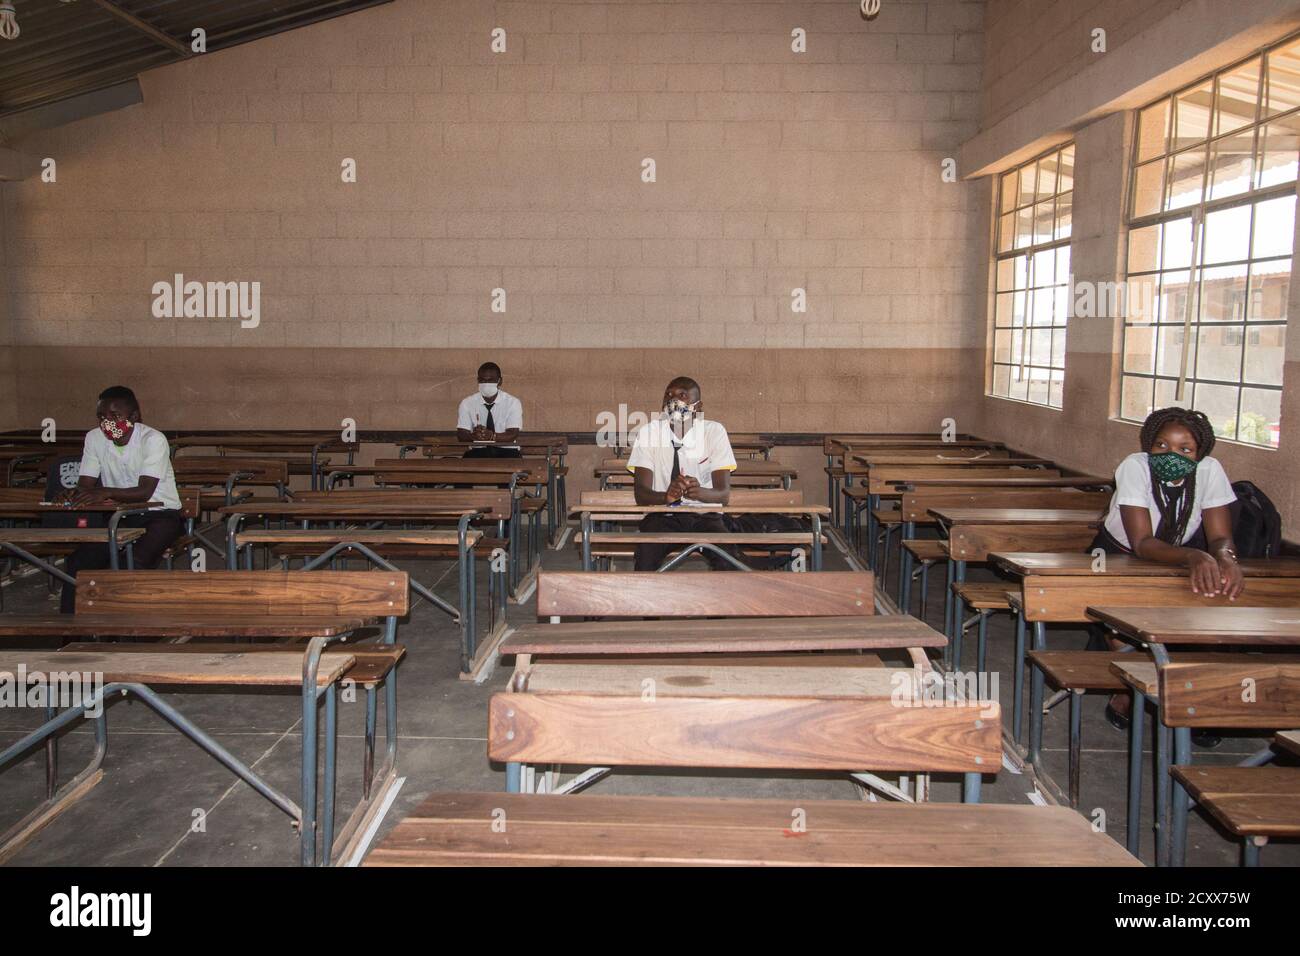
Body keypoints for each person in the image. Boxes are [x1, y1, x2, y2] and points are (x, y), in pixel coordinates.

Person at [1092, 406, 1241, 745]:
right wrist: (1195, 556)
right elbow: (1142, 543)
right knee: (1127, 633)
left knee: (1202, 614)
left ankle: (1192, 700)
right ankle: (1128, 691)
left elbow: (1220, 536)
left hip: (1176, 558)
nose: (1171, 454)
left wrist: (1225, 557)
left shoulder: (1209, 470)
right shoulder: (1135, 467)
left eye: (1185, 448)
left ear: (1199, 452)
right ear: (1148, 444)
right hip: (1118, 558)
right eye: (1161, 445)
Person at [57, 386, 183, 613]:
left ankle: (123, 627)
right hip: (120, 516)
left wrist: (105, 492)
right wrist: (75, 493)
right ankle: (70, 630)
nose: (108, 423)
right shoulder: (94, 439)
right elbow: (85, 484)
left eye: (115, 416)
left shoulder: (152, 439)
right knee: (79, 563)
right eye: (101, 417)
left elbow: (145, 491)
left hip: (160, 515)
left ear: (134, 417)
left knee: (133, 563)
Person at [627, 377, 739, 571]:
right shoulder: (648, 433)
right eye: (668, 395)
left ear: (698, 406)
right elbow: (641, 494)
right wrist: (666, 496)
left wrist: (700, 492)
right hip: (663, 516)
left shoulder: (714, 432)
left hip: (705, 515)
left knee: (728, 560)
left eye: (682, 395)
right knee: (645, 560)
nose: (673, 400)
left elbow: (723, 494)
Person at [456, 362, 522, 459]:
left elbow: (513, 434)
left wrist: (491, 436)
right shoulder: (467, 403)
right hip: (478, 451)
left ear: (500, 381)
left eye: (491, 380)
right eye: (483, 380)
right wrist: (474, 436)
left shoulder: (513, 402)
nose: (486, 384)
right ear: (478, 380)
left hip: (507, 451)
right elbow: (461, 434)